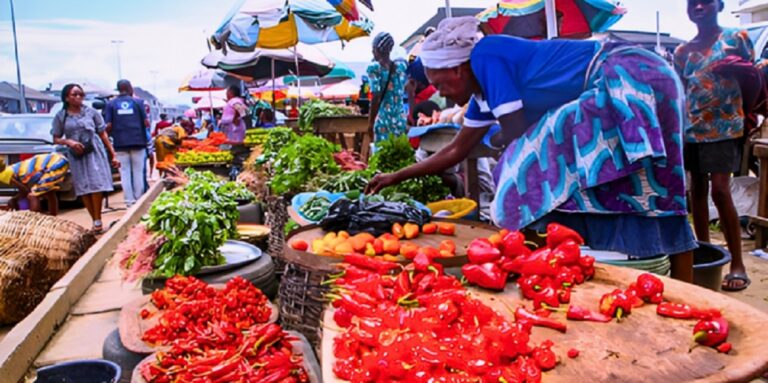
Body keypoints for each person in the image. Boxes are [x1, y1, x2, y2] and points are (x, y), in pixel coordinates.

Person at [367, 17, 698, 282]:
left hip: (628, 73)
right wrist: (395, 176)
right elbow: (455, 150)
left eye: (440, 84)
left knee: (522, 166)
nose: (440, 93)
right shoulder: (482, 93)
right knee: (644, 184)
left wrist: (497, 139)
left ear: (457, 69)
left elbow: (514, 133)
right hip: (628, 78)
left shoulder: (486, 56)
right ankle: (553, 263)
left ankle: (691, 293)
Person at [674, 0, 754, 291]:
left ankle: (737, 263)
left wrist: (750, 113)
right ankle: (705, 251)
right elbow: (682, 92)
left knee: (720, 190)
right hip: (692, 129)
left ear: (718, 5)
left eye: (705, 1)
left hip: (726, 126)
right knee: (696, 189)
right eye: (692, 2)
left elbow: (753, 77)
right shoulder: (682, 51)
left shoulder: (735, 38)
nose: (698, 6)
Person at [52, 83, 120, 233]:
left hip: (94, 151)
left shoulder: (91, 112)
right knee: (83, 187)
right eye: (74, 94)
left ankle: (98, 220)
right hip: (77, 154)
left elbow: (103, 134)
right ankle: (94, 218)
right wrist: (68, 141)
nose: (78, 97)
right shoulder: (61, 116)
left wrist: (113, 154)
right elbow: (56, 138)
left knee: (97, 184)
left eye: (80, 94)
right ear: (66, 98)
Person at [105, 80, 149, 208]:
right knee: (138, 172)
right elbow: (146, 123)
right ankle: (139, 201)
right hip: (138, 142)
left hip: (120, 144)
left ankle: (129, 203)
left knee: (124, 173)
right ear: (130, 88)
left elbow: (108, 125)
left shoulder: (111, 104)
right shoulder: (138, 102)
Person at [367, 32, 408, 142]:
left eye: (373, 48)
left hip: (384, 120)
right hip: (400, 119)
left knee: (382, 154)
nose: (372, 51)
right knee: (399, 153)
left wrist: (370, 123)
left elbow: (376, 96)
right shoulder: (400, 67)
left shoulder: (374, 68)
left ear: (378, 50)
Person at [0, 154, 69, 215]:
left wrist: (15, 199)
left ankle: (35, 221)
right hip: (58, 160)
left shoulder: (4, 175)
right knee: (49, 192)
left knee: (33, 195)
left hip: (54, 165)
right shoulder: (13, 168)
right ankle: (53, 216)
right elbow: (25, 189)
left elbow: (25, 190)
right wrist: (15, 199)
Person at [406, 57, 446, 125]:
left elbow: (415, 121)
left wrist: (410, 94)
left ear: (419, 84)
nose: (407, 84)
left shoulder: (432, 97)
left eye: (410, 81)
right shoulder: (419, 93)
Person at [221, 85, 248, 179]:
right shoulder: (234, 101)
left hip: (235, 129)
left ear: (231, 93)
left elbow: (241, 110)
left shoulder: (234, 100)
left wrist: (235, 118)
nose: (226, 94)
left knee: (236, 147)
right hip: (233, 128)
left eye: (227, 92)